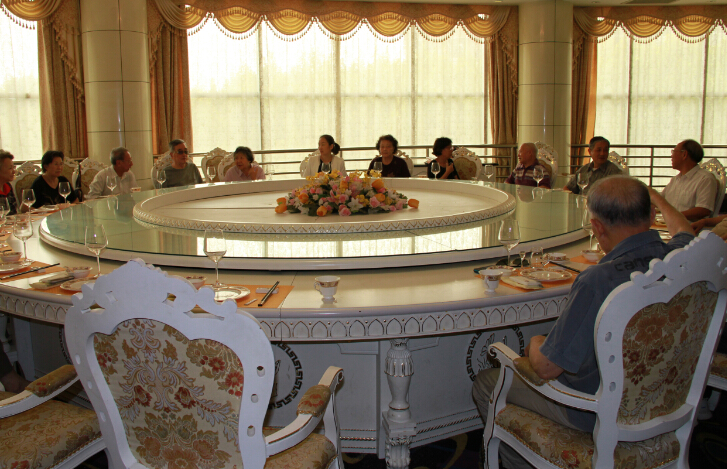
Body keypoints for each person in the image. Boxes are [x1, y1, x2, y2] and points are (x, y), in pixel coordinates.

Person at [472, 175, 693, 469]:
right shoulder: (680, 258)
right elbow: (685, 230)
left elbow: (547, 368)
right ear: (652, 215)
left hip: (594, 411)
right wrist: (658, 199)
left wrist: (536, 343)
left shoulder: (598, 281)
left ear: (597, 227)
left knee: (487, 383)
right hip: (664, 398)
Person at [661, 139, 717, 221]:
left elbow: (703, 210)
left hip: (688, 227)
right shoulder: (675, 180)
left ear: (684, 154)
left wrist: (674, 216)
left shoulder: (705, 179)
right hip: (669, 224)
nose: (671, 156)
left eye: (674, 152)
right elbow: (660, 200)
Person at [0, 150, 18, 215]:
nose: (14, 172)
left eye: (13, 167)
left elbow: (13, 213)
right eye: (10, 168)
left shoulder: (7, 186)